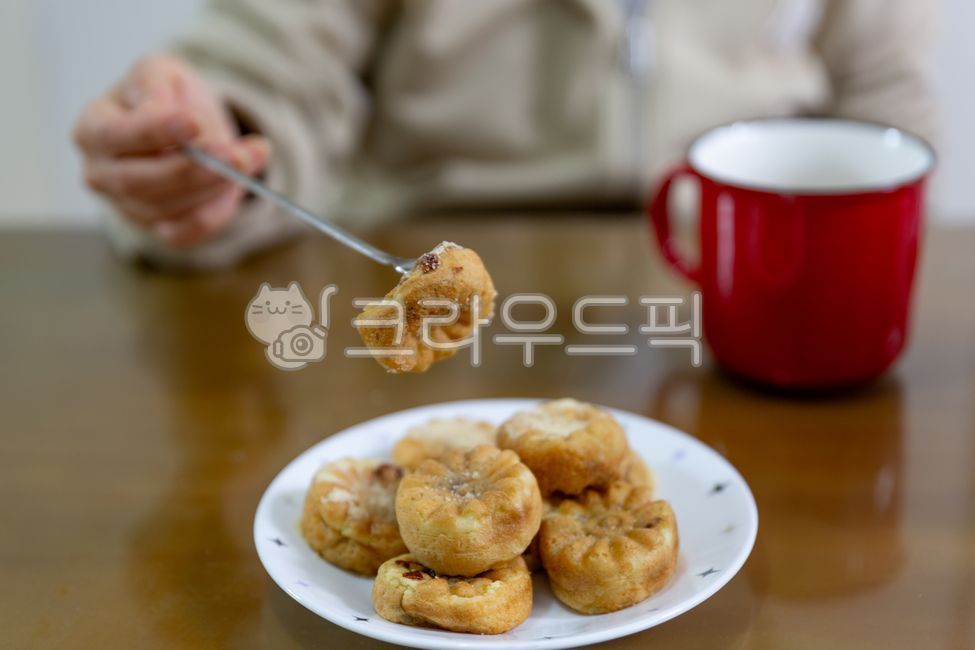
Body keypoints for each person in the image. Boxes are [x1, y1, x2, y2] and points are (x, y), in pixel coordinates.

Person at [73, 0, 938, 269]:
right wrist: (215, 143)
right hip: (409, 279)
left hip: (735, 292)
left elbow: (888, 105)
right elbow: (265, 67)